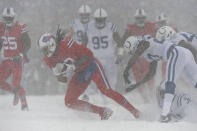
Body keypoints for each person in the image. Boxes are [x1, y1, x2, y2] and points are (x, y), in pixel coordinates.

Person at [37, 28, 140, 120]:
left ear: (51, 44)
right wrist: (59, 73)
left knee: (107, 91)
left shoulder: (67, 44)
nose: (45, 53)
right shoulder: (48, 59)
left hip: (92, 66)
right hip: (80, 72)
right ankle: (102, 111)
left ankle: (135, 111)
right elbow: (62, 80)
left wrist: (74, 65)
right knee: (69, 101)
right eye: (43, 50)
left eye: (45, 49)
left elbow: (89, 56)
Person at [123, 33, 197, 122]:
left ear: (134, 46)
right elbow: (151, 73)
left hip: (175, 53)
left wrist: (127, 68)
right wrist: (137, 84)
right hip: (185, 53)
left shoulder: (145, 42)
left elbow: (143, 45)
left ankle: (165, 115)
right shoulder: (148, 51)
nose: (134, 54)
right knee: (195, 81)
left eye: (132, 52)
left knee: (169, 83)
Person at [121, 8, 157, 99]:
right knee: (138, 78)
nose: (140, 20)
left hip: (148, 57)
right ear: (135, 19)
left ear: (145, 18)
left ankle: (152, 95)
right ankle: (144, 97)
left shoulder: (152, 27)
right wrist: (120, 54)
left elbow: (160, 39)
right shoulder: (130, 29)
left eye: (142, 18)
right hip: (135, 58)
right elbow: (122, 43)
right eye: (138, 18)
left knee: (149, 77)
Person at [0, 7, 31, 110]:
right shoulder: (1, 27)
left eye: (10, 18)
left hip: (17, 59)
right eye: (6, 18)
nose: (8, 20)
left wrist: (21, 54)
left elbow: (28, 43)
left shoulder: (20, 27)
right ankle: (15, 92)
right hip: (6, 59)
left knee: (16, 83)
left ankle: (24, 104)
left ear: (14, 17)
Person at [85, 8, 122, 91]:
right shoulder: (89, 27)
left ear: (105, 19)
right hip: (94, 59)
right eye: (98, 19)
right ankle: (93, 97)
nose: (100, 21)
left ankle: (111, 98)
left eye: (102, 19)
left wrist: (120, 54)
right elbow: (83, 44)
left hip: (109, 58)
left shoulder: (111, 27)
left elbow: (120, 42)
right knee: (94, 81)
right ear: (94, 19)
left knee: (111, 81)